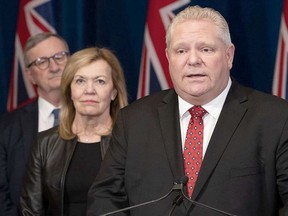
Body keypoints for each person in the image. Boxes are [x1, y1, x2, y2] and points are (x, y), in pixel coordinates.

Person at [87, 5, 288, 216]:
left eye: (205, 49)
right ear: (168, 57)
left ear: (229, 56)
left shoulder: (275, 118)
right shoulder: (134, 120)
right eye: (181, 51)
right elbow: (105, 199)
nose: (193, 60)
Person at [19, 47, 128, 216]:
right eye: (80, 81)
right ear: (70, 91)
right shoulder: (45, 143)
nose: (89, 90)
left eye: (100, 81)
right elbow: (29, 210)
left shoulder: (131, 142)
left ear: (113, 92)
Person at [0, 32, 69, 216]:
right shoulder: (6, 127)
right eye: (42, 61)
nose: (54, 67)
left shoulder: (97, 117)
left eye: (59, 57)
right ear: (30, 75)